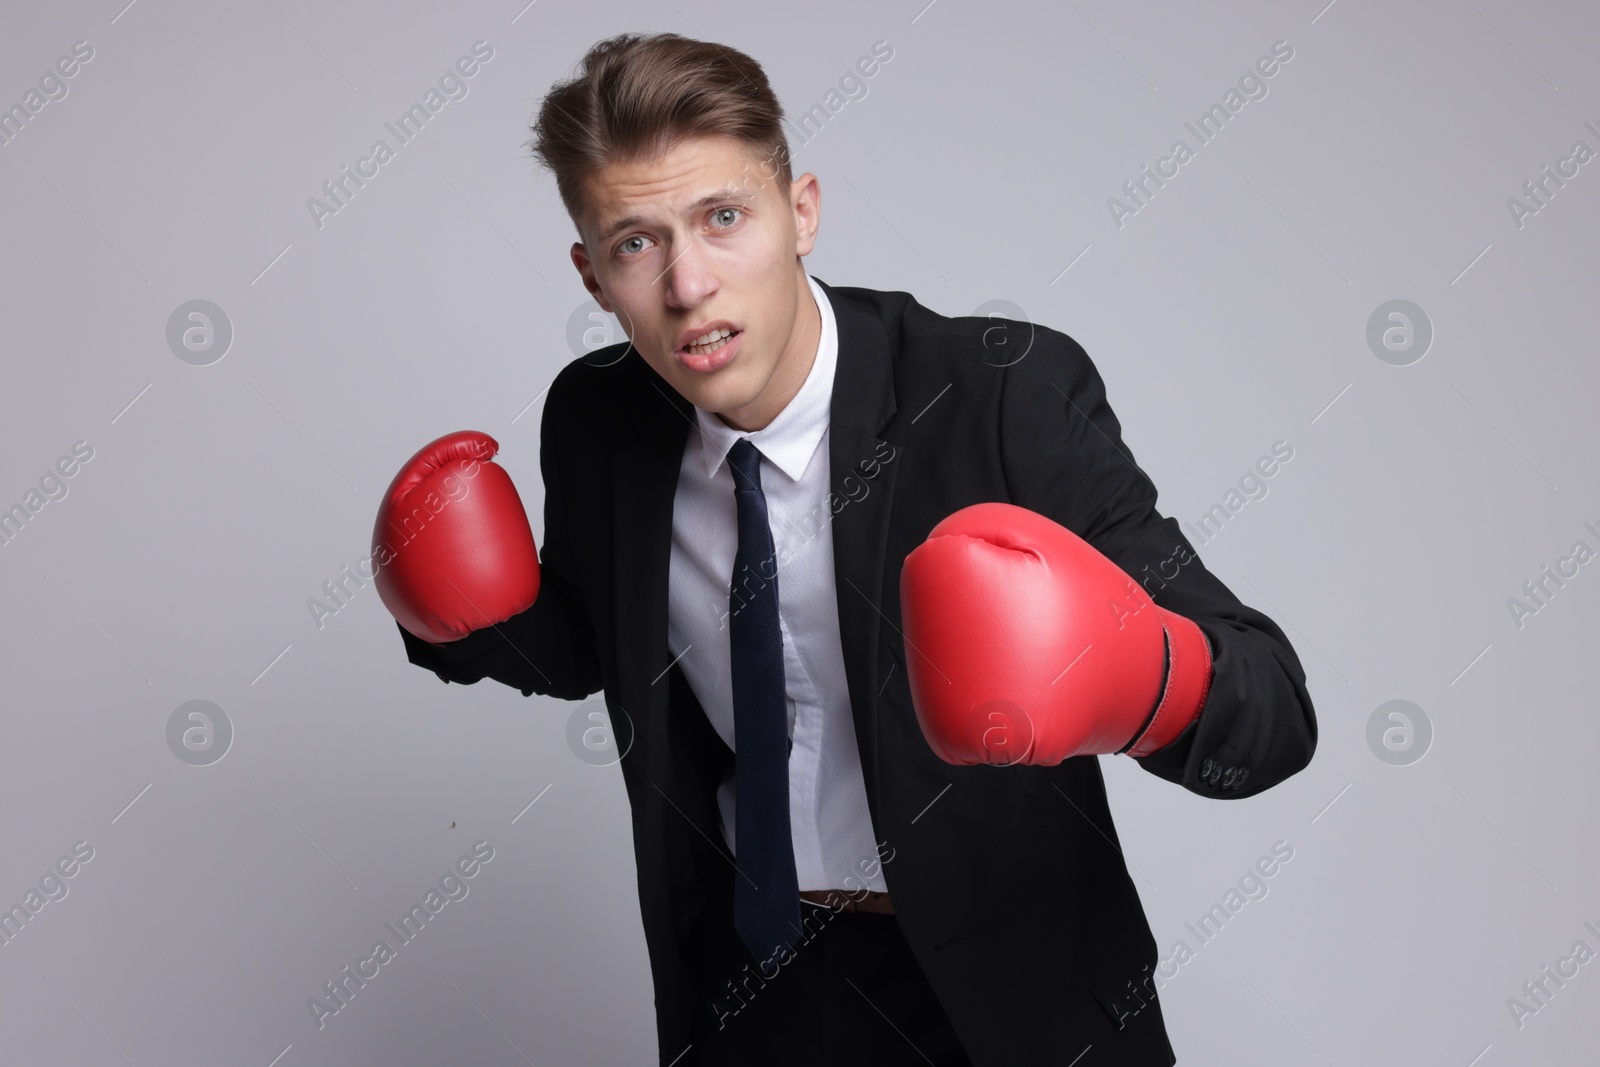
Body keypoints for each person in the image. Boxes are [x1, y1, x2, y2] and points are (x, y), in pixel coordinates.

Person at [372, 31, 1317, 1067]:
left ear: (802, 211)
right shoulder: (600, 422)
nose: (688, 284)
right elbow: (604, 646)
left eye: (722, 218)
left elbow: (1271, 709)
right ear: (592, 275)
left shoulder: (997, 395)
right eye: (635, 243)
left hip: (1007, 1002)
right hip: (750, 986)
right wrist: (466, 614)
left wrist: (1140, 676)